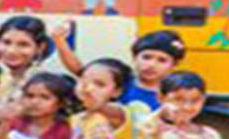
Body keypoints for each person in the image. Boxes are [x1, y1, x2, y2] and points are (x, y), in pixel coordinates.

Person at [52, 25, 185, 117]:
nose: (151, 65)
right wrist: (60, 42)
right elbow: (80, 70)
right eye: (146, 57)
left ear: (174, 64)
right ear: (134, 57)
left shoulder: (174, 92)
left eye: (161, 60)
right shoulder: (123, 80)